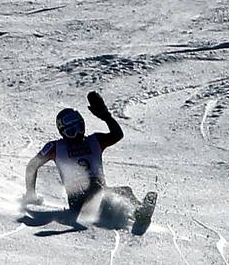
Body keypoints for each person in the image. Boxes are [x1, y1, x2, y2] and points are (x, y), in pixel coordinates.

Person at [21, 91, 155, 231]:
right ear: (62, 132)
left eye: (80, 129)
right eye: (71, 132)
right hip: (78, 200)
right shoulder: (56, 147)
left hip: (101, 193)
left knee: (125, 191)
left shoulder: (94, 141)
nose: (77, 134)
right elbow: (32, 166)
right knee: (96, 188)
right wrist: (30, 193)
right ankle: (121, 213)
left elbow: (117, 135)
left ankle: (138, 214)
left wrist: (106, 116)